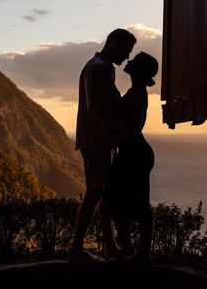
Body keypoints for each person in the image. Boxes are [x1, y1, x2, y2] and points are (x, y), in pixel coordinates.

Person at [69, 28, 137, 263]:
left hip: (98, 140)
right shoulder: (98, 68)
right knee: (95, 192)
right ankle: (77, 248)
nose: (127, 56)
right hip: (97, 140)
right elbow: (97, 108)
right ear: (113, 42)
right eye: (126, 50)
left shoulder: (101, 66)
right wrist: (120, 128)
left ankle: (110, 246)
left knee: (102, 193)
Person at [103, 51, 158, 263]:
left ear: (139, 70)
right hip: (134, 153)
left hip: (134, 154)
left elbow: (131, 128)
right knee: (124, 201)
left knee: (118, 201)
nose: (129, 61)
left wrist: (111, 139)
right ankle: (133, 250)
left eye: (134, 61)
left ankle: (136, 251)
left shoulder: (136, 93)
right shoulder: (136, 92)